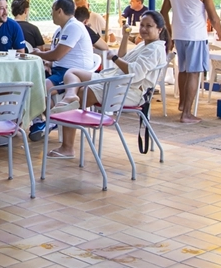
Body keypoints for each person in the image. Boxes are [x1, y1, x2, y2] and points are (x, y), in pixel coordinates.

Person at [48, 10, 168, 159]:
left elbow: (135, 73)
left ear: (159, 29)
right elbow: (123, 56)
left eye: (148, 26)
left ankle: (67, 147)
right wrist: (124, 37)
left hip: (127, 90)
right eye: (142, 25)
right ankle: (70, 97)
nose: (143, 29)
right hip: (116, 81)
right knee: (72, 72)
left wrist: (115, 58)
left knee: (82, 91)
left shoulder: (155, 49)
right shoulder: (145, 44)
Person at [160, 0, 221, 124]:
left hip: (178, 34)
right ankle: (187, 113)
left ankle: (182, 104)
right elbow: (213, 16)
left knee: (183, 70)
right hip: (195, 36)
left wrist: (169, 31)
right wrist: (220, 32)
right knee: (194, 72)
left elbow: (163, 11)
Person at [29, 0, 94, 141]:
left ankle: (52, 120)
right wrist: (48, 63)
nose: (51, 14)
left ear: (59, 11)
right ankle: (44, 119)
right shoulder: (61, 29)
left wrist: (39, 55)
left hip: (72, 72)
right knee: (31, 81)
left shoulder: (73, 27)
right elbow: (57, 57)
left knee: (41, 87)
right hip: (60, 69)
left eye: (52, 10)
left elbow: (58, 55)